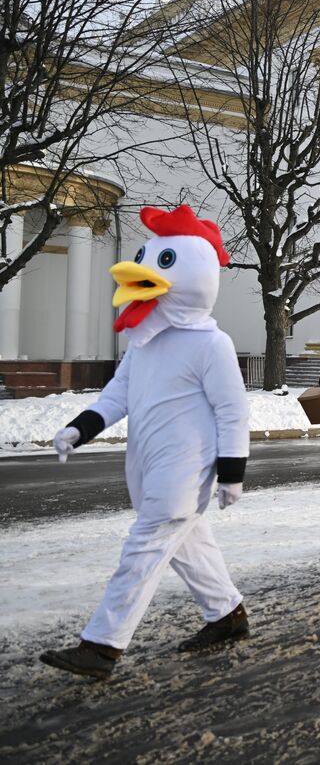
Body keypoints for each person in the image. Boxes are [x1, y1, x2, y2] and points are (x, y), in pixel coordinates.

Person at [40, 206, 251, 680]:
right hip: (148, 466)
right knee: (188, 545)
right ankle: (228, 615)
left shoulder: (210, 345)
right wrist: (80, 428)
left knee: (143, 551)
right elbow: (117, 396)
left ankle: (101, 646)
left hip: (183, 471)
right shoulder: (145, 342)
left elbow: (233, 410)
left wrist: (232, 472)